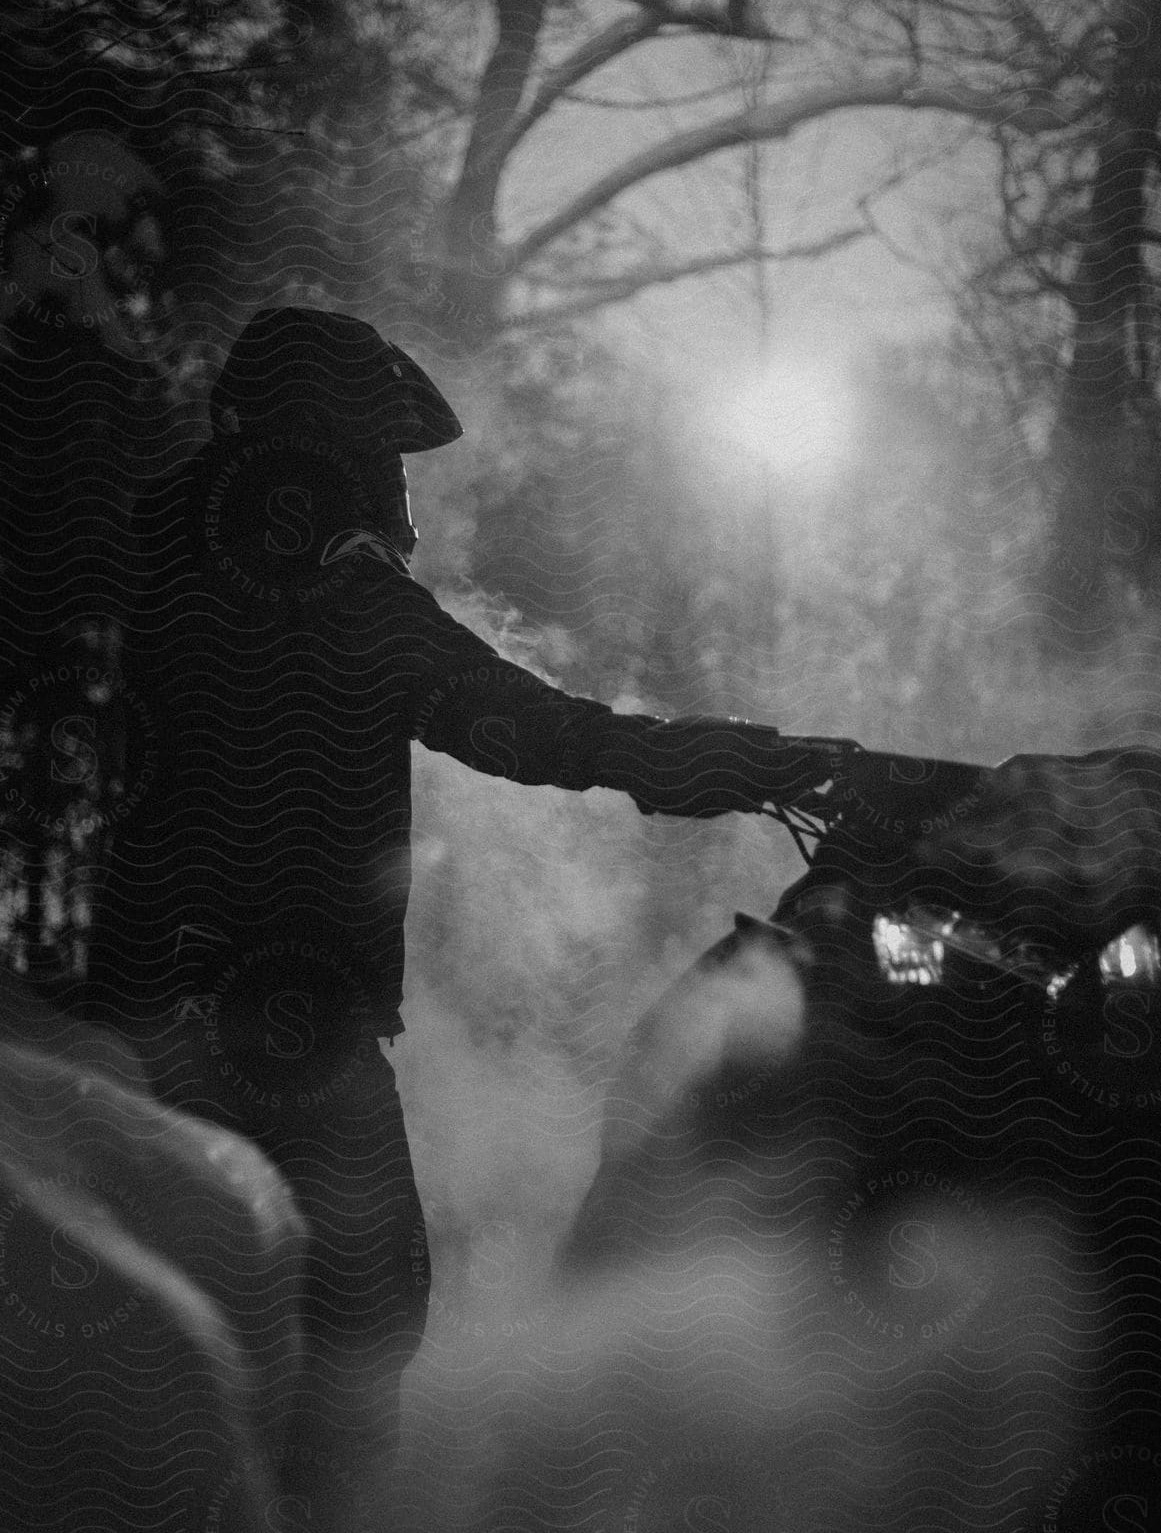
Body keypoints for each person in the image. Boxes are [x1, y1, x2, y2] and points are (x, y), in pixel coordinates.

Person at [77, 304, 835, 1488]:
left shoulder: (178, 530)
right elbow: (493, 712)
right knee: (357, 1323)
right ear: (325, 442)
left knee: (180, 1338)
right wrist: (704, 760)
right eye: (379, 451)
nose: (394, 489)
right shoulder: (305, 545)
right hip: (268, 1019)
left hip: (143, 997)